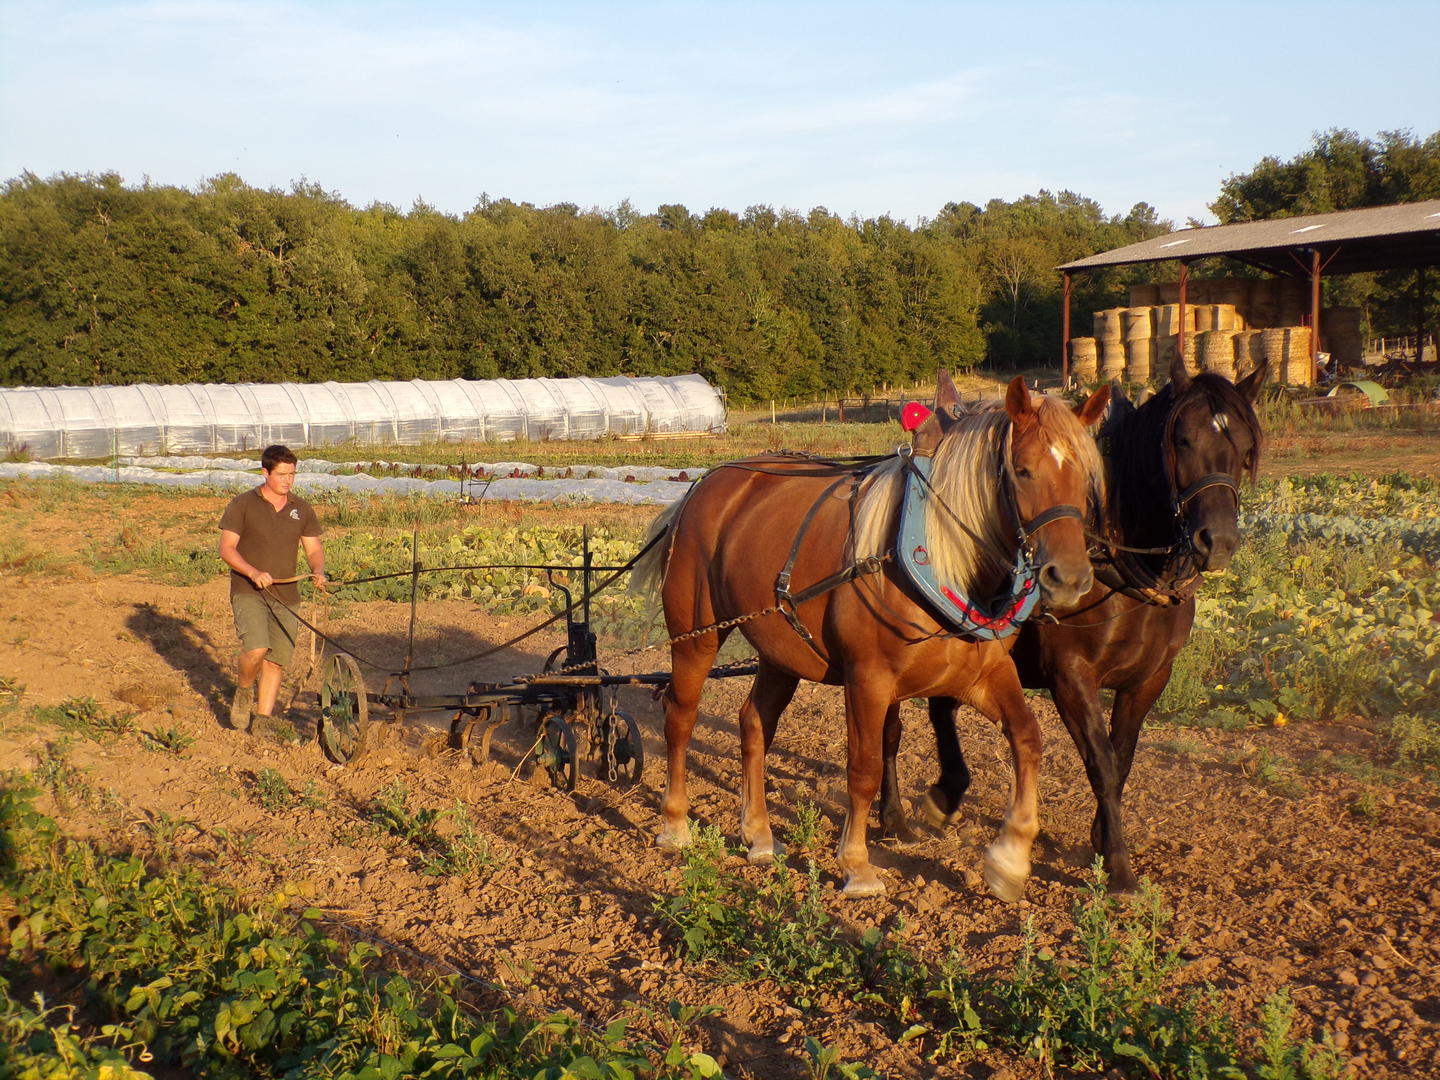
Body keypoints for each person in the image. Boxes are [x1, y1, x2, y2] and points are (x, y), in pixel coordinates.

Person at [218, 445, 326, 731]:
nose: (288, 480)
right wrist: (252, 572)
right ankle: (243, 692)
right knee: (256, 648)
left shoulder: (301, 509)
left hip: (286, 594)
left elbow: (313, 548)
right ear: (265, 472)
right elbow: (227, 549)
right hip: (248, 590)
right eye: (281, 474)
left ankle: (262, 721)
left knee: (275, 660)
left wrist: (318, 571)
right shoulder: (242, 504)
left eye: (292, 474)